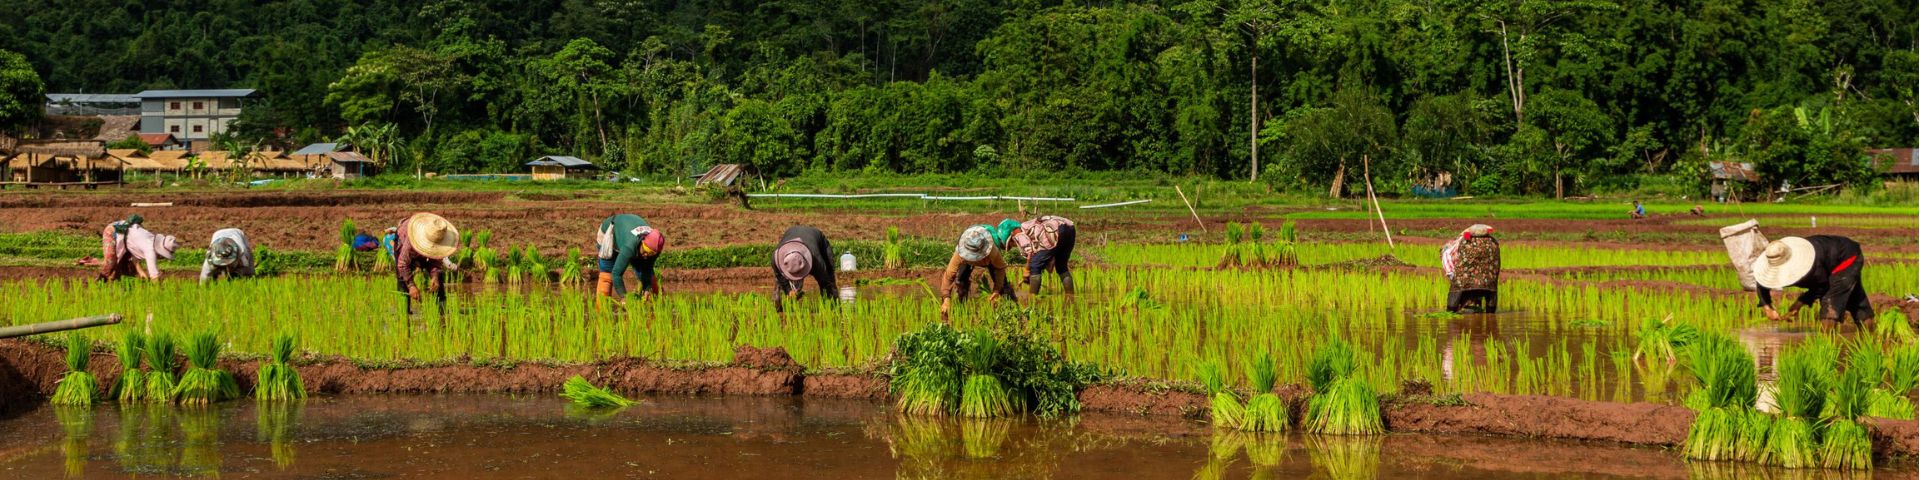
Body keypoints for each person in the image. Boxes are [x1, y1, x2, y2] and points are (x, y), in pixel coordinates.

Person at [1750, 235, 1874, 330]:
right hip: (1831, 255)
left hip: (1846, 259)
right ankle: (1869, 337)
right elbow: (1761, 283)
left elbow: (1822, 286)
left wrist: (1799, 303)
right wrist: (1767, 308)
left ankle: (1827, 345)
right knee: (1856, 300)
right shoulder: (1774, 258)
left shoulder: (1810, 265)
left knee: (1830, 301)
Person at [939, 225, 1017, 321]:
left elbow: (1000, 269)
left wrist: (996, 290)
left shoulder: (992, 252)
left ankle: (1014, 311)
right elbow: (949, 276)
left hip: (988, 259)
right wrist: (946, 299)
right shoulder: (960, 253)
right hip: (965, 260)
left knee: (1003, 286)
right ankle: (957, 311)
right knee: (960, 282)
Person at [395, 213, 461, 314]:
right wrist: (411, 285)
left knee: (439, 278)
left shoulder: (439, 237)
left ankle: (441, 311)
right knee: (401, 277)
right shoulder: (410, 242)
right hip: (402, 238)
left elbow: (435, 262)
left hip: (421, 243)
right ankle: (403, 312)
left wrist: (435, 277)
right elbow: (402, 264)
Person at [998, 216, 1077, 297]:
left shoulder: (1018, 234)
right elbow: (1044, 256)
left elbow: (1030, 254)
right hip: (1069, 228)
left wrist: (1027, 270)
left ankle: (1033, 298)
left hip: (1053, 230)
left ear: (1010, 236)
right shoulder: (1028, 227)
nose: (1014, 245)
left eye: (1011, 244)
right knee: (1061, 267)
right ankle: (1070, 296)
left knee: (1034, 265)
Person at [595, 214, 666, 303]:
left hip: (627, 236)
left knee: (644, 270)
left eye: (650, 254)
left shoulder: (655, 247)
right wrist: (624, 297)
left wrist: (647, 288)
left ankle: (657, 302)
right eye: (645, 251)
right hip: (610, 232)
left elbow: (647, 268)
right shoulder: (630, 246)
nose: (646, 255)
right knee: (607, 274)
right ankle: (602, 310)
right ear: (642, 241)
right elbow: (616, 274)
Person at [771, 225, 837, 312]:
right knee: (779, 283)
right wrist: (788, 290)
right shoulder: (776, 259)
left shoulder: (816, 260)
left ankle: (832, 307)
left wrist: (829, 302)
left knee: (829, 277)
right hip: (791, 232)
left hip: (817, 238)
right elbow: (779, 276)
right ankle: (777, 306)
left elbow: (825, 282)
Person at [1441, 224, 1500, 313]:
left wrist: (1451, 274)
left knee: (1456, 289)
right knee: (1491, 295)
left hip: (1465, 280)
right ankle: (1490, 312)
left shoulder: (1464, 240)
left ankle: (1451, 311)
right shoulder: (1493, 242)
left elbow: (1448, 254)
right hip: (1489, 281)